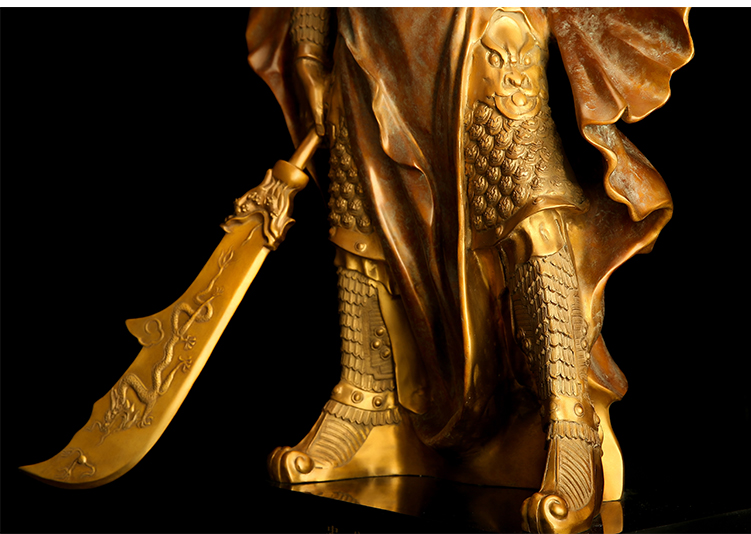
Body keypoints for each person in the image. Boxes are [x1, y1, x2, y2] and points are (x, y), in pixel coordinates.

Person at [247, 8, 693, 532]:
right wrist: (307, 48)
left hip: (482, 20)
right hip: (364, 24)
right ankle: (367, 397)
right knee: (362, 208)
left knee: (527, 203)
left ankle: (568, 417)